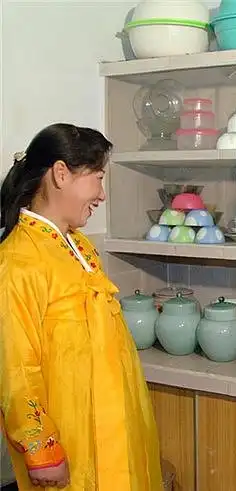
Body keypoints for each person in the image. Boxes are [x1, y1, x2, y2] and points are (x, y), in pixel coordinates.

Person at [0, 123, 162, 490]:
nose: (102, 194)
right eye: (98, 178)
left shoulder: (81, 247)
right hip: (71, 445)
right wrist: (41, 451)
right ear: (61, 174)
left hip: (115, 430)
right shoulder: (17, 261)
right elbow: (15, 367)